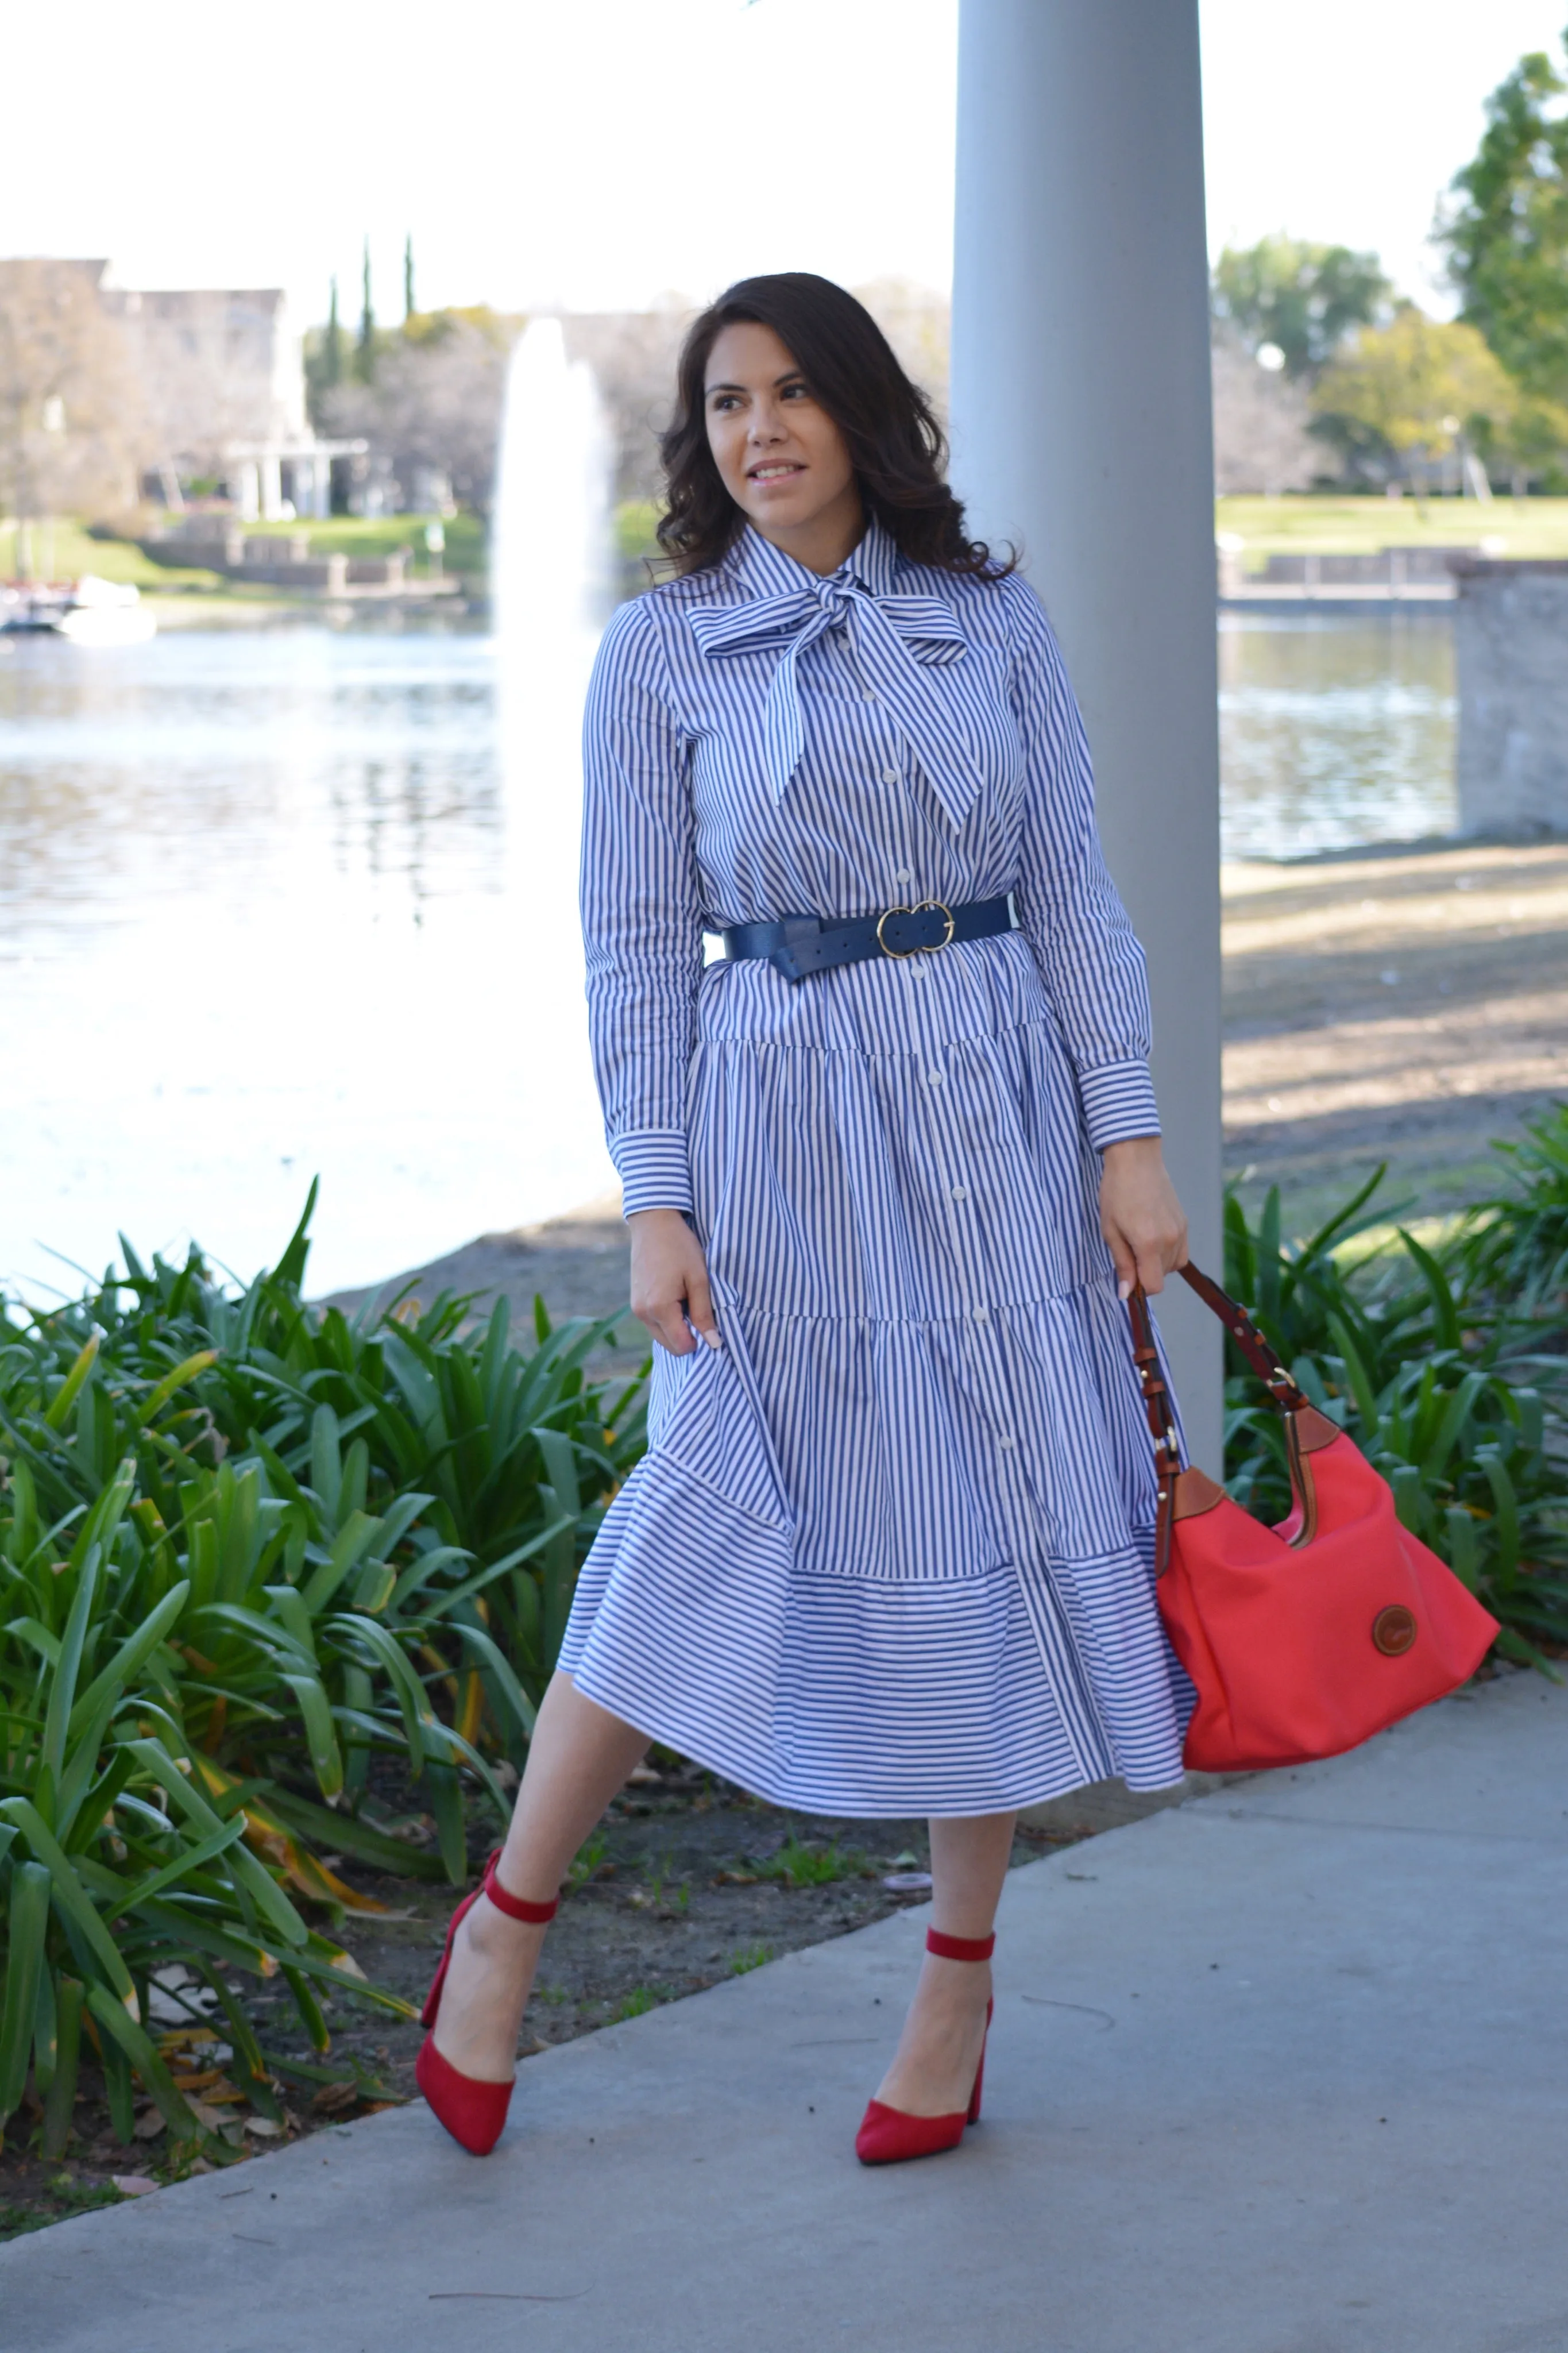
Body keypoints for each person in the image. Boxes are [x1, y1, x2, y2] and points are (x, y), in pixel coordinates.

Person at [416, 272, 1191, 2165]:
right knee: (696, 1507)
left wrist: (1130, 1139)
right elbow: (630, 952)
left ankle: (958, 1984)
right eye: (725, 402)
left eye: (789, 396)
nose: (757, 430)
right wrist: (654, 1195)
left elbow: (1073, 889)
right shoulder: (663, 654)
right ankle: (505, 1926)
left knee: (995, 1506)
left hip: (994, 1108)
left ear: (858, 413)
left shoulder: (987, 621)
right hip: (780, 1135)